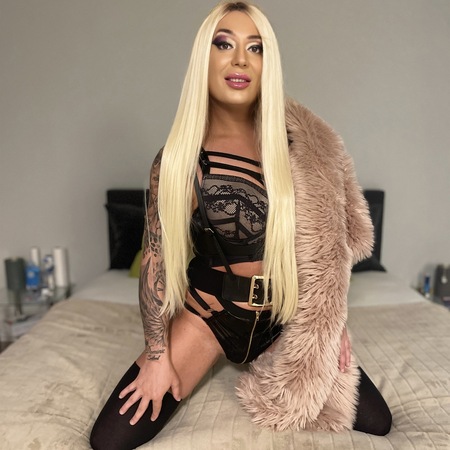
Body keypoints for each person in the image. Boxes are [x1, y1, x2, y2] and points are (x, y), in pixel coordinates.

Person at [90, 2, 392, 448]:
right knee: (110, 438)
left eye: (256, 47)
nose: (240, 60)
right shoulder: (180, 159)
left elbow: (325, 250)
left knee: (376, 421)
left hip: (283, 316)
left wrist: (330, 324)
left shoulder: (298, 147)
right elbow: (155, 261)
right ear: (204, 57)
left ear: (268, 62)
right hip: (209, 317)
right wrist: (157, 355)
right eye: (224, 44)